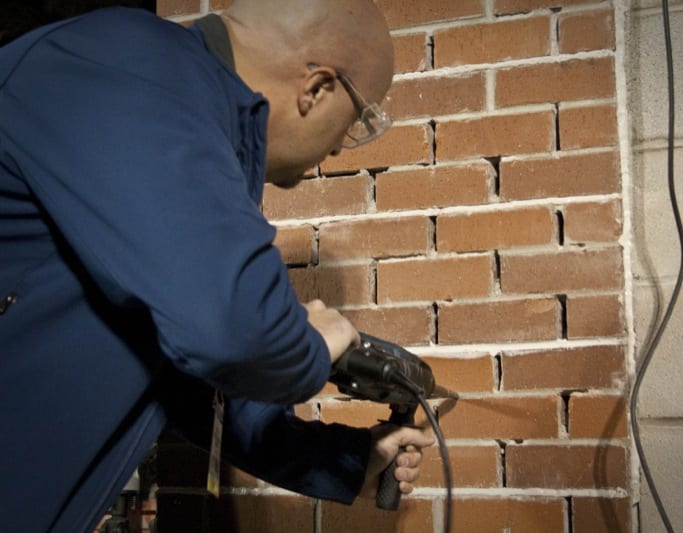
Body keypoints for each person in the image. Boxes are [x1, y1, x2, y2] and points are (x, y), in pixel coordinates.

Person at [0, 1, 435, 531]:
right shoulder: (130, 67)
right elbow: (231, 330)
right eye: (355, 121)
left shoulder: (181, 120)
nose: (342, 150)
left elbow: (196, 385)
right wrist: (316, 341)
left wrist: (348, 461)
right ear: (317, 89)